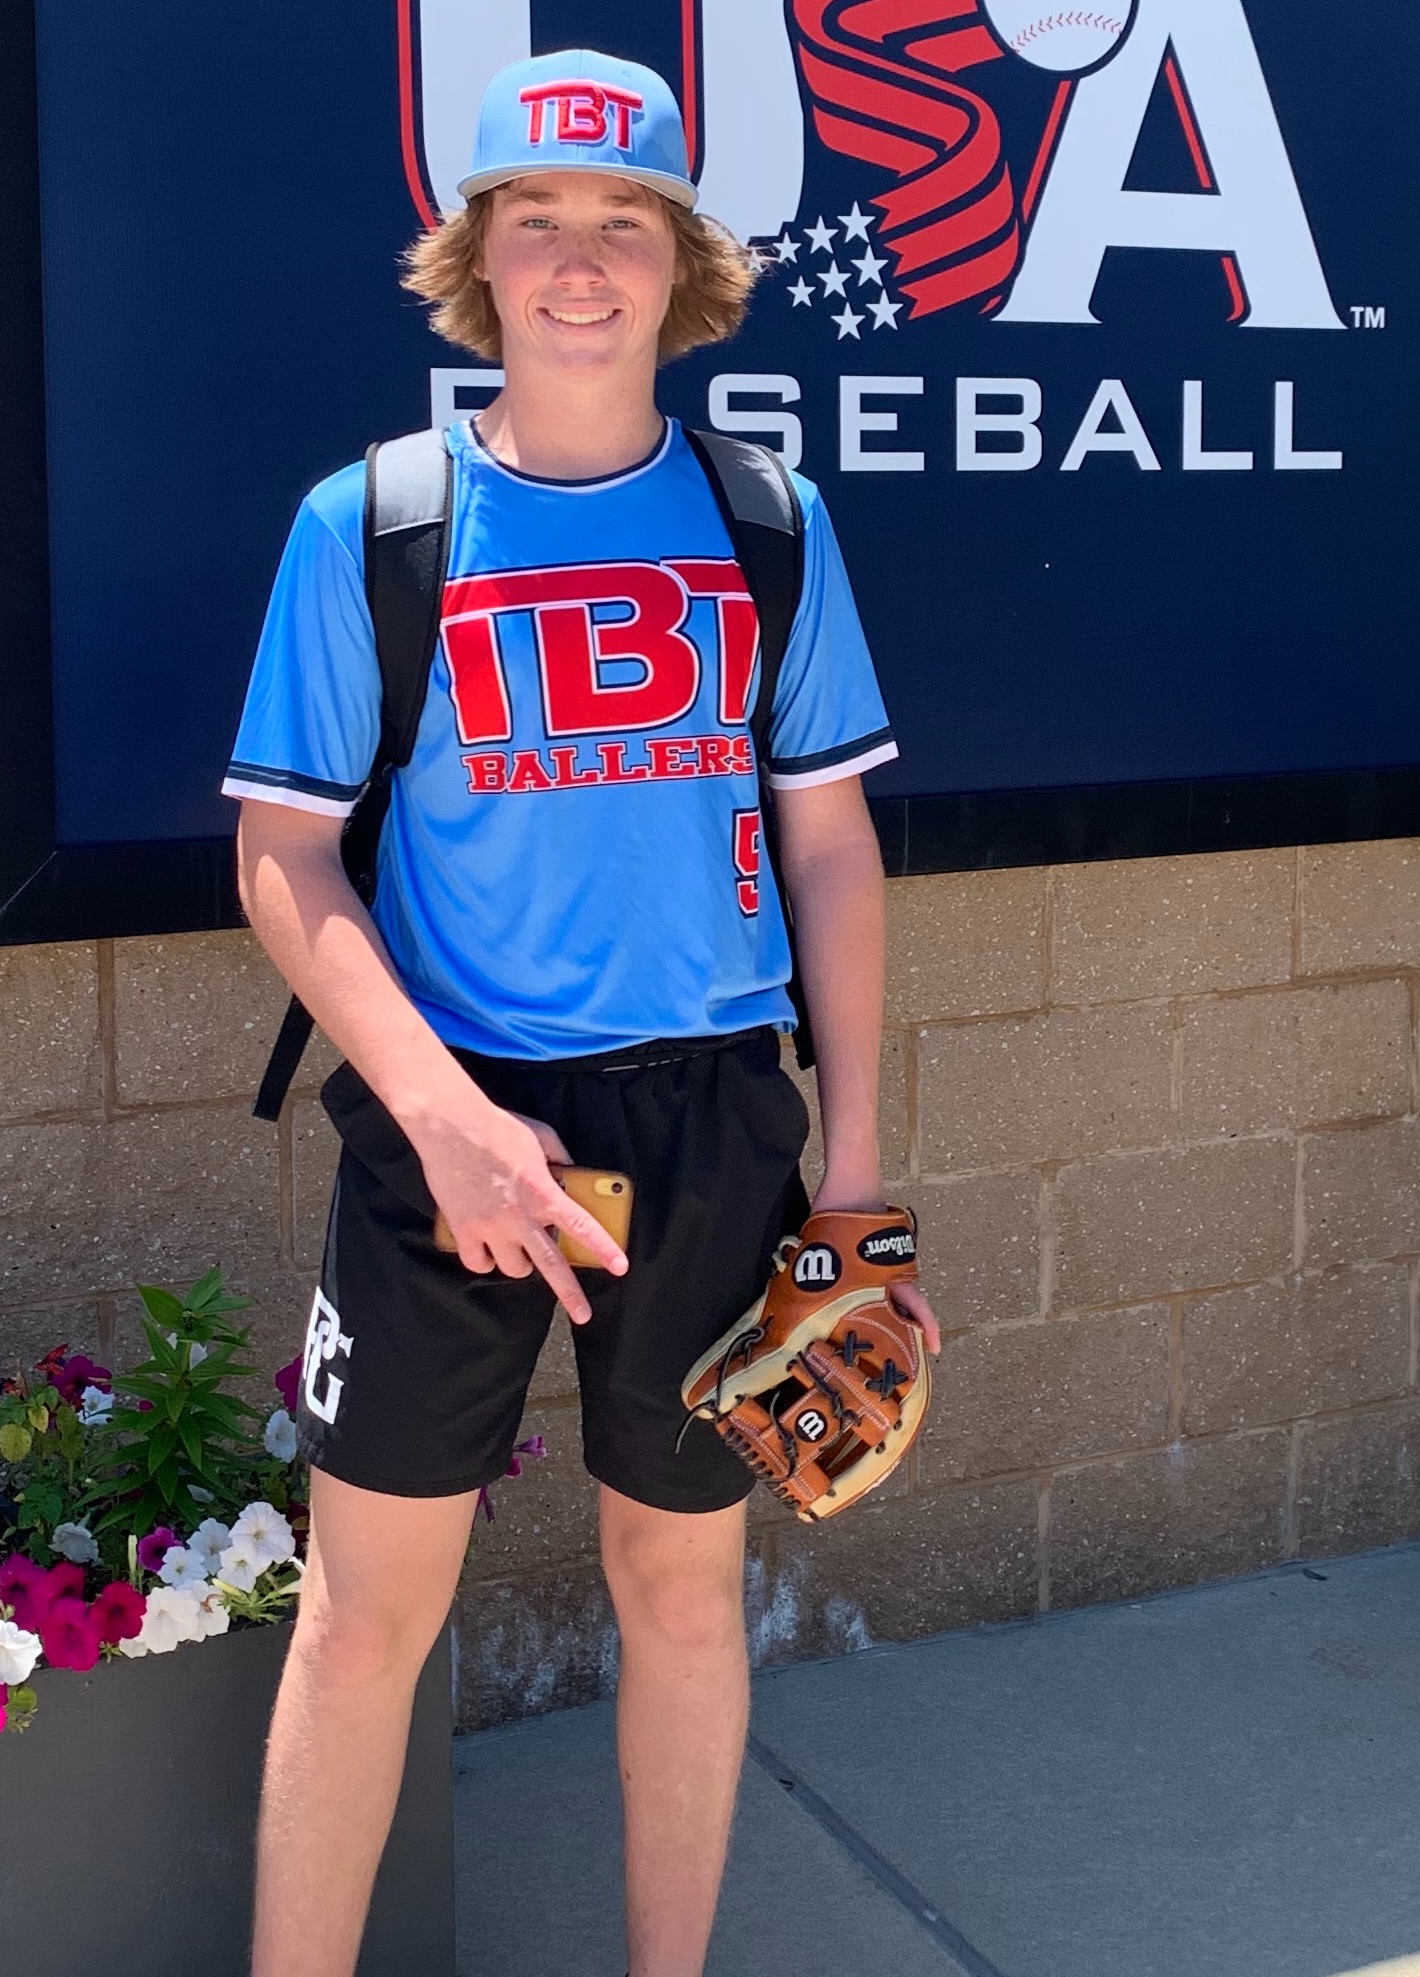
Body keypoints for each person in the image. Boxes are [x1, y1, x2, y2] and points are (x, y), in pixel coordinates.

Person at [225, 47, 938, 1977]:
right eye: (532, 215)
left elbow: (832, 848)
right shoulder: (373, 521)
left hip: (711, 1127)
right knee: (362, 1622)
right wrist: (444, 1117)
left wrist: (856, 1180)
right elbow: (284, 859)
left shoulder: (767, 519)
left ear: (681, 261)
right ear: (475, 256)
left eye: (623, 218)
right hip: (450, 1126)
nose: (576, 258)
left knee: (682, 1591)